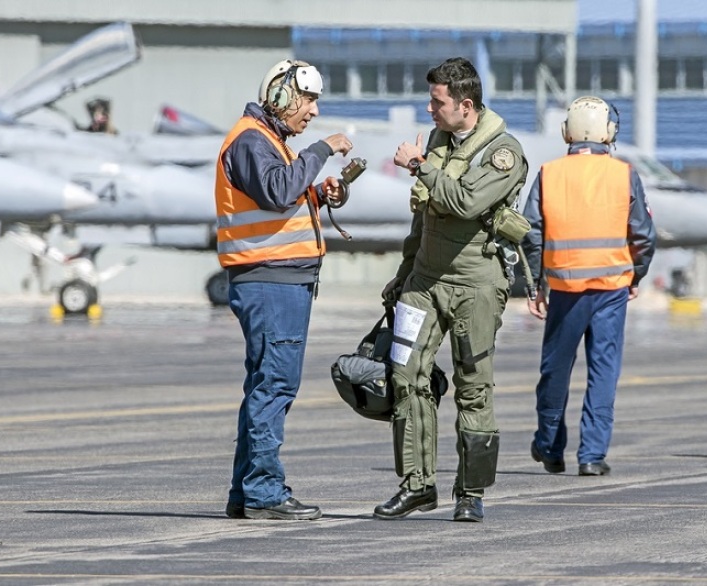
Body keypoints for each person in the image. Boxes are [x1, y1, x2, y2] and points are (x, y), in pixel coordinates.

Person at [375, 57, 528, 523]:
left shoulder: (503, 153)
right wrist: (403, 276)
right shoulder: (441, 141)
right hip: (425, 281)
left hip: (474, 287)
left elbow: (463, 202)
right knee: (404, 375)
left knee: (473, 389)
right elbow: (423, 219)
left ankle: (471, 493)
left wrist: (419, 165)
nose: (429, 110)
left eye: (436, 102)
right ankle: (417, 485)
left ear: (466, 105)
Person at [215, 59, 353, 521]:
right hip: (271, 281)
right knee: (274, 385)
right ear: (281, 96)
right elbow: (276, 191)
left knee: (264, 386)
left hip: (278, 279)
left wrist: (316, 194)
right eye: (308, 99)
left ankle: (247, 489)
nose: (313, 111)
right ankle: (264, 491)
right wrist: (321, 152)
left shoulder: (269, 142)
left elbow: (281, 199)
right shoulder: (253, 139)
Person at [521, 96, 656, 477]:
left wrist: (536, 284)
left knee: (555, 371)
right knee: (603, 371)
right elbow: (644, 235)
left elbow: (531, 232)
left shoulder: (550, 173)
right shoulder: (624, 173)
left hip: (564, 287)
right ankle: (592, 456)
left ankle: (549, 446)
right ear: (609, 133)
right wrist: (636, 275)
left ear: (566, 132)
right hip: (612, 288)